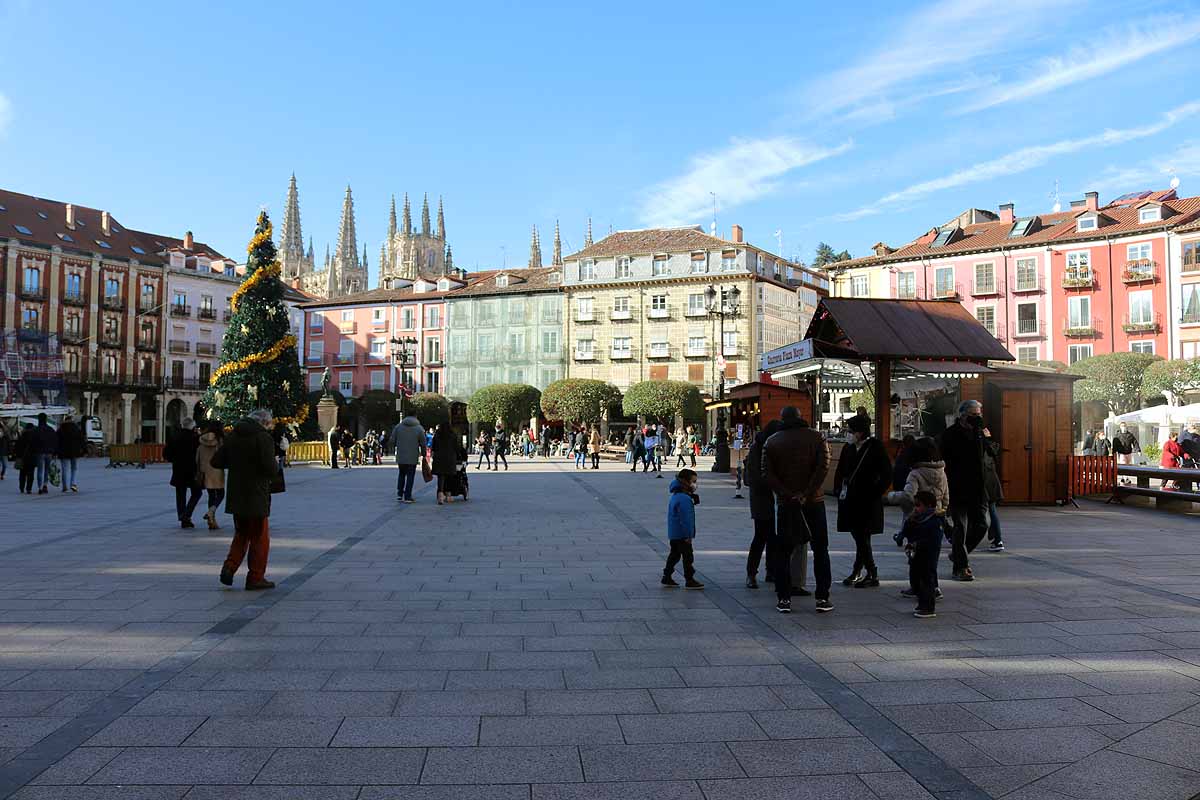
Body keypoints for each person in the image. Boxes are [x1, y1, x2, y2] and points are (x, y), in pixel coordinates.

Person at [763, 406, 832, 614]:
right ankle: (822, 597)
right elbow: (823, 467)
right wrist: (807, 492)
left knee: (784, 551)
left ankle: (784, 598)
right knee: (820, 549)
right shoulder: (817, 438)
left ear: (782, 419)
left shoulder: (772, 441)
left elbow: (767, 473)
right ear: (800, 418)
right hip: (814, 500)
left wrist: (786, 494)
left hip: (786, 503)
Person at [216, 408, 279, 590]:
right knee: (260, 537)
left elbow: (217, 461)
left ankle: (229, 567)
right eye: (268, 424)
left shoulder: (233, 436)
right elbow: (271, 468)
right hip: (256, 494)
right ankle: (255, 577)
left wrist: (238, 463)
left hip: (236, 494)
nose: (269, 427)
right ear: (263, 423)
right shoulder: (263, 438)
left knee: (242, 534)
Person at [834, 413, 892, 589]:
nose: (849, 434)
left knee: (862, 536)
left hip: (868, 499)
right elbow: (840, 470)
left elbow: (887, 473)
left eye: (852, 431)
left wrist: (876, 491)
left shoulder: (875, 447)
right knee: (859, 535)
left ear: (861, 432)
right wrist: (838, 490)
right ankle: (860, 571)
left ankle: (870, 572)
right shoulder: (848, 448)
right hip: (849, 499)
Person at [939, 400, 995, 581]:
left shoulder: (980, 433)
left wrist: (985, 438)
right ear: (962, 415)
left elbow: (993, 452)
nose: (977, 418)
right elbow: (943, 461)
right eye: (973, 415)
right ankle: (961, 567)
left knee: (982, 524)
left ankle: (958, 554)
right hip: (958, 487)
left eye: (979, 414)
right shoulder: (949, 435)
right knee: (960, 528)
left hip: (979, 488)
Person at [893, 490, 944, 618]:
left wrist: (917, 544)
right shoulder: (915, 519)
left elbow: (934, 540)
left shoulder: (935, 520)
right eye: (915, 504)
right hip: (915, 554)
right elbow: (906, 532)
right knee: (917, 577)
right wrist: (902, 535)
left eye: (918, 505)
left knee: (927, 579)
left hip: (929, 555)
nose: (915, 508)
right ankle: (922, 602)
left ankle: (928, 607)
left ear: (929, 506)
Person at [661, 468, 704, 589]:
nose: (695, 484)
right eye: (693, 481)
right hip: (682, 534)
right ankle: (689, 579)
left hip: (674, 533)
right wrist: (688, 535)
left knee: (674, 555)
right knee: (688, 557)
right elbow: (686, 519)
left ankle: (667, 576)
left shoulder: (677, 495)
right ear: (685, 482)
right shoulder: (684, 499)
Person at [164, 418, 202, 528]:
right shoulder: (195, 438)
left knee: (180, 494)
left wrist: (175, 460)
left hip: (178, 470)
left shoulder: (174, 437)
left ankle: (182, 515)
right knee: (197, 493)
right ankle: (186, 515)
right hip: (193, 470)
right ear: (193, 427)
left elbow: (166, 454)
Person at [196, 421, 226, 530]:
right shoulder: (220, 440)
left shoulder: (201, 440)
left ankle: (212, 521)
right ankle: (211, 512)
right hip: (217, 470)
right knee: (221, 494)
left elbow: (197, 457)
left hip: (205, 471)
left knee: (211, 495)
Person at [390, 413, 425, 503]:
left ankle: (399, 494)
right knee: (410, 476)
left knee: (401, 474)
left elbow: (392, 440)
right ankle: (408, 496)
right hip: (413, 456)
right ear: (416, 417)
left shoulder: (398, 427)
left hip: (401, 455)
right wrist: (424, 454)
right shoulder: (419, 428)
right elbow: (423, 443)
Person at [56, 413, 84, 493]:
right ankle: (73, 484)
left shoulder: (60, 429)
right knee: (74, 468)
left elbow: (56, 441)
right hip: (74, 452)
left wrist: (55, 451)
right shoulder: (76, 429)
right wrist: (83, 450)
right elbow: (81, 440)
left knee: (64, 469)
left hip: (63, 452)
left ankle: (64, 486)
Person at [432, 423, 459, 504]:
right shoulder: (453, 435)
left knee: (441, 477)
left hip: (439, 458)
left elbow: (433, 447)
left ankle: (440, 495)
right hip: (450, 458)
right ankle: (448, 495)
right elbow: (456, 448)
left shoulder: (437, 435)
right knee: (449, 477)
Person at [32, 413, 56, 494]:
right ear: (46, 419)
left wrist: (34, 451)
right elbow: (55, 441)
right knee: (46, 469)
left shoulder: (36, 430)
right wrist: (54, 451)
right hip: (49, 452)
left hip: (39, 452)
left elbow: (33, 442)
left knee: (40, 470)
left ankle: (40, 487)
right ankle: (45, 485)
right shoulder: (50, 429)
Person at [15, 423, 36, 494]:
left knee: (22, 474)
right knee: (31, 474)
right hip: (32, 458)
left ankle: (21, 488)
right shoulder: (34, 437)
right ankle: (29, 489)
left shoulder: (22, 437)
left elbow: (17, 447)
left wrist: (18, 456)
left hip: (22, 458)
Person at [730, 429, 747, 498]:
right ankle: (738, 491)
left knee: (739, 473)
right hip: (738, 460)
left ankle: (738, 491)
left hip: (739, 460)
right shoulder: (737, 440)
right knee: (738, 474)